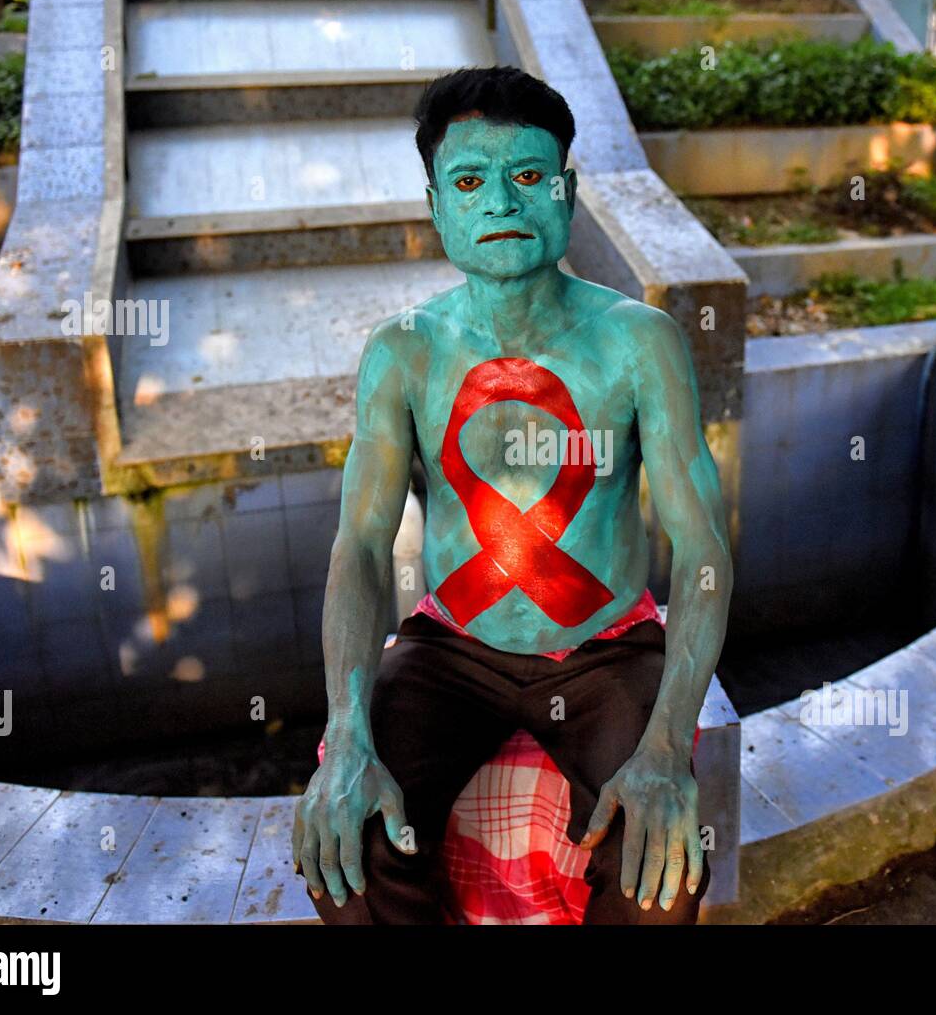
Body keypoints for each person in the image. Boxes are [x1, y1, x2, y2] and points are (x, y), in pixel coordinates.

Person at [292, 65, 733, 925]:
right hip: (452, 649)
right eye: (469, 181)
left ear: (566, 192)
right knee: (349, 857)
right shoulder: (404, 352)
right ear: (436, 206)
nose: (500, 202)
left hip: (606, 649)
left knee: (661, 877)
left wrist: (669, 742)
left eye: (528, 176)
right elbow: (360, 542)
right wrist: (346, 728)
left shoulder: (641, 342)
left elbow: (704, 548)